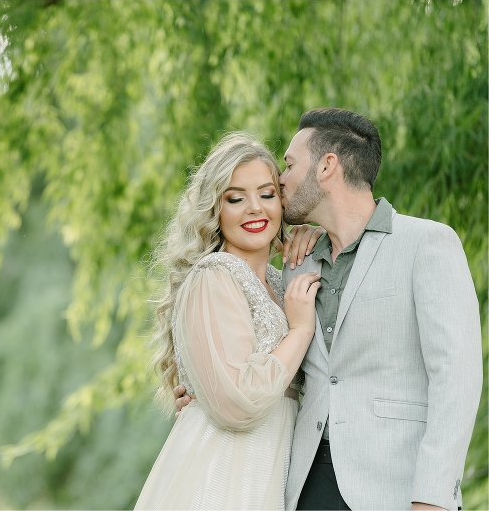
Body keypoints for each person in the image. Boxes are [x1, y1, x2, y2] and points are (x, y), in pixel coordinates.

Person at [175, 108, 483, 510]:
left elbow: (457, 379)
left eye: (289, 165)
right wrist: (207, 390)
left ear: (326, 166)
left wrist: (434, 497)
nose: (280, 180)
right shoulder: (296, 263)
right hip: (300, 484)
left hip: (396, 486)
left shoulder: (426, 244)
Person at [135, 132, 323, 510]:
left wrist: (316, 236)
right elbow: (240, 402)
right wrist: (301, 330)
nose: (254, 208)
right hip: (224, 471)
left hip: (275, 464)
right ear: (214, 211)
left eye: (267, 194)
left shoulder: (278, 282)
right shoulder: (214, 276)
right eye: (235, 198)